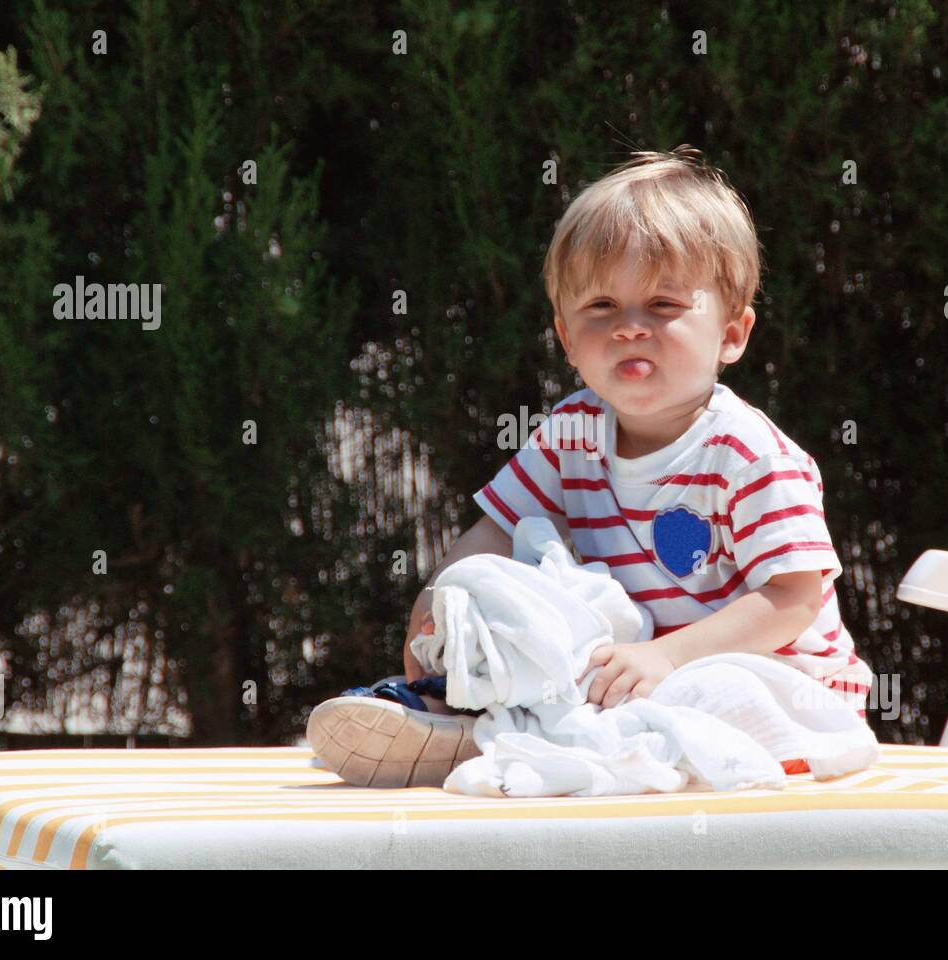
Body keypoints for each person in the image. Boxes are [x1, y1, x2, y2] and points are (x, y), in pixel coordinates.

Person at [306, 144, 874, 788]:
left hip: (782, 683)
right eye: (602, 307)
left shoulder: (748, 453)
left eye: (663, 305)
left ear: (732, 335)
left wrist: (668, 655)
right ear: (569, 338)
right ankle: (456, 711)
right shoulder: (571, 432)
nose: (630, 327)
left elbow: (792, 601)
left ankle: (511, 739)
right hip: (633, 669)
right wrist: (446, 597)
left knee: (703, 691)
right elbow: (495, 531)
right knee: (538, 605)